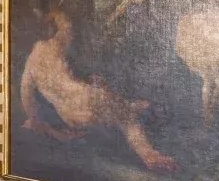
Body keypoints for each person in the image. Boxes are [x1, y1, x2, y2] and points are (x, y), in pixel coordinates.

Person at [20, 10, 176, 172]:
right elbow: (67, 27)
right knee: (127, 118)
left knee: (115, 103)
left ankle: (136, 106)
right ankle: (149, 155)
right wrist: (55, 13)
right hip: (87, 99)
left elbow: (26, 96)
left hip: (70, 116)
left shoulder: (30, 64)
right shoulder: (54, 44)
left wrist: (35, 120)